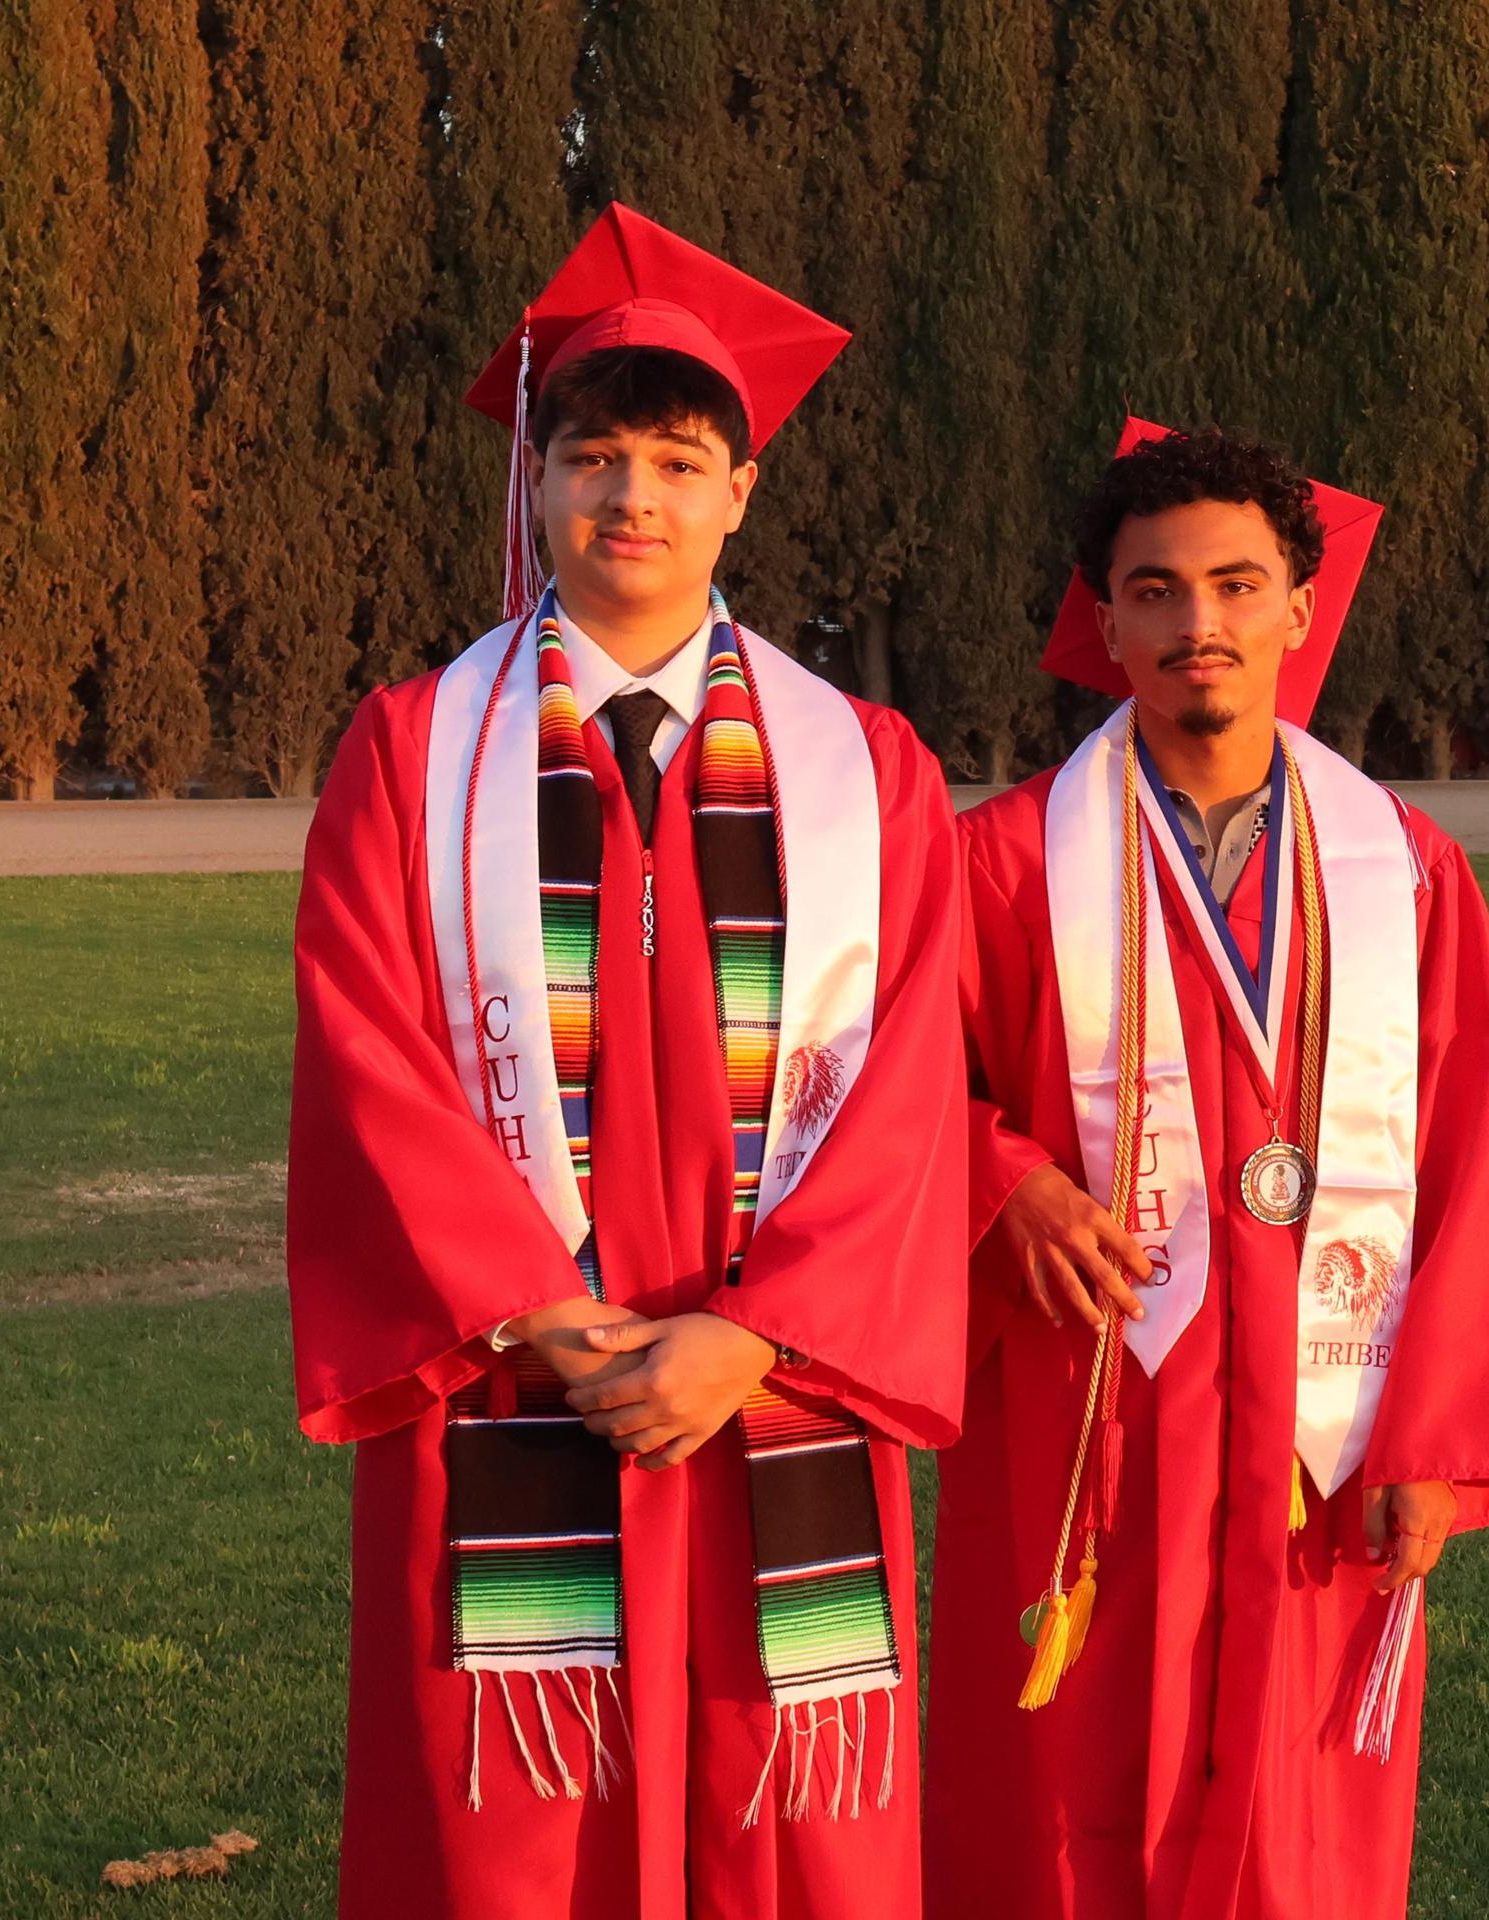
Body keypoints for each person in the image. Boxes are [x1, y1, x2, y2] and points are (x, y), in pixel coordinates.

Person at [286, 202, 966, 1919]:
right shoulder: (416, 748)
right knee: (519, 1839)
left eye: (677, 458)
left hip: (774, 1394)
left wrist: (752, 1332)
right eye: (593, 454)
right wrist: (544, 1314)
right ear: (537, 485)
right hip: (522, 1376)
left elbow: (903, 1095)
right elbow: (370, 1053)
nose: (633, 497)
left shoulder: (863, 770)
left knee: (784, 1822)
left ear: (743, 489)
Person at [925, 420, 1489, 1920]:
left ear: (1302, 604)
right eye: (1154, 591)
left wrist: (1433, 1440)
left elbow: (1472, 1158)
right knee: (1058, 1797)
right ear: (1104, 623)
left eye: (1237, 584)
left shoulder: (1402, 868)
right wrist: (1003, 1179)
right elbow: (899, 1096)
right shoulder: (1007, 865)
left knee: (1302, 1823)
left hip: (1321, 1430)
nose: (1198, 623)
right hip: (1088, 1411)